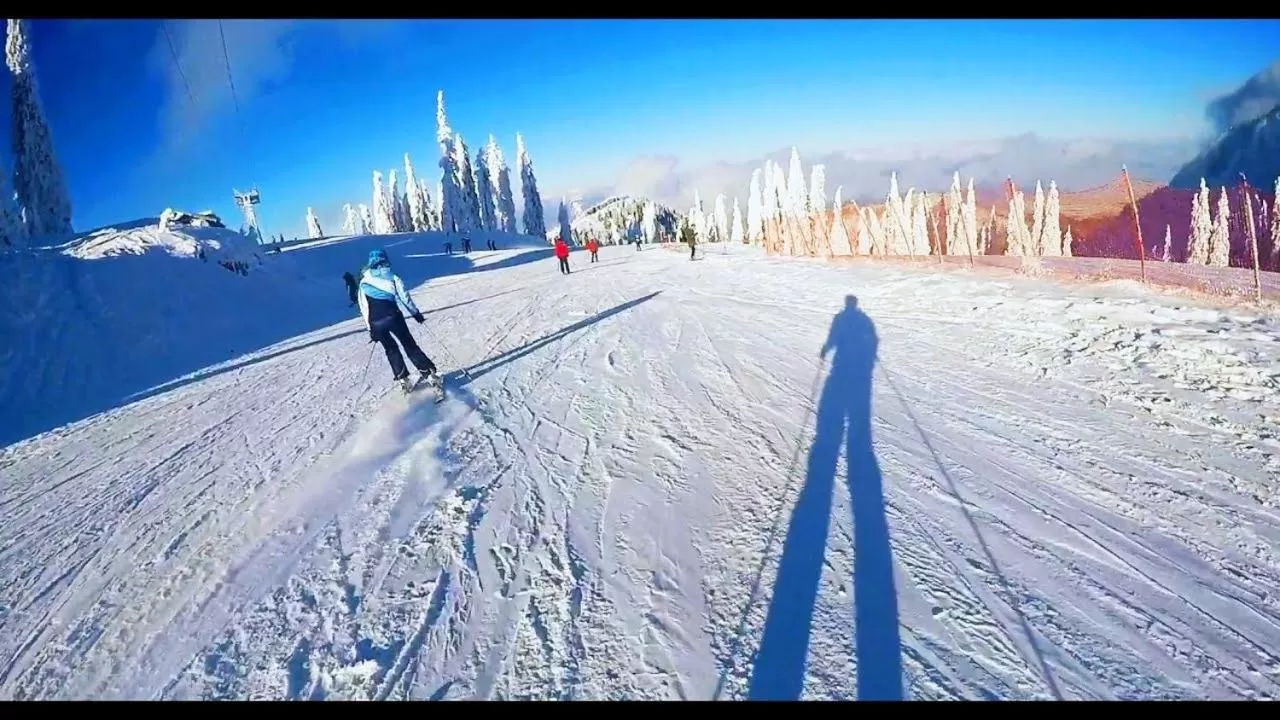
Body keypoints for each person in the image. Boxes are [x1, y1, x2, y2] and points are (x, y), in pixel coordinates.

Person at [357, 248, 440, 390]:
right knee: (409, 344)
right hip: (393, 317)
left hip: (376, 322)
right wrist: (416, 314)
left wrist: (371, 329)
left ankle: (403, 380)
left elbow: (364, 308)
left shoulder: (364, 282)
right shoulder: (392, 276)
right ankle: (429, 374)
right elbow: (405, 298)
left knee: (390, 349)